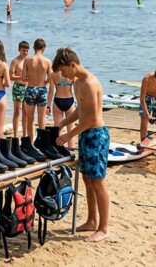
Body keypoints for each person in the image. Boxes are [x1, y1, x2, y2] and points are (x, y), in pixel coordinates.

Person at [52, 47, 110, 243]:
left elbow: (92, 117)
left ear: (73, 65)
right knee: (86, 178)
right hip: (85, 134)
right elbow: (80, 110)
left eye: (64, 71)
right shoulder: (76, 82)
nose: (63, 76)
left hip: (97, 135)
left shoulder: (90, 83)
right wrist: (63, 123)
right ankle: (92, 221)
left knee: (98, 181)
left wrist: (70, 134)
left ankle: (103, 228)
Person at [23, 38, 52, 142]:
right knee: (41, 118)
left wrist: (30, 79)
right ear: (43, 48)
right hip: (42, 89)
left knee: (30, 118)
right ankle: (42, 141)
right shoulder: (47, 61)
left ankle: (31, 141)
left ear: (34, 48)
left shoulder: (27, 60)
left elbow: (23, 78)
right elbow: (51, 78)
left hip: (30, 89)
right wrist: (44, 82)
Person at [48, 66, 76, 148]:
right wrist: (80, 103)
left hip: (57, 100)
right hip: (69, 100)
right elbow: (76, 89)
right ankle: (71, 149)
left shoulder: (53, 74)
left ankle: (58, 148)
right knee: (71, 128)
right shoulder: (72, 73)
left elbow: (51, 90)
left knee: (57, 127)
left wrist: (48, 105)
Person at [9, 41, 29, 136]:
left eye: (27, 51)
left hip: (27, 87)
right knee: (17, 111)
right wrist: (22, 77)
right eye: (23, 50)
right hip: (18, 87)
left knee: (26, 111)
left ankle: (25, 134)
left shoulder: (29, 60)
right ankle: (15, 135)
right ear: (19, 50)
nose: (25, 52)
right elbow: (10, 76)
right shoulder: (15, 61)